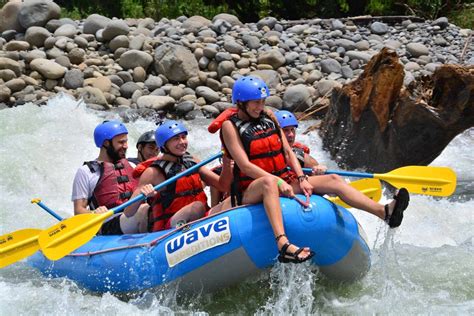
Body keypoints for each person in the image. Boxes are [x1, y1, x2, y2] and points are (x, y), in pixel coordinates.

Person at [215, 75, 410, 264]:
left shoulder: (269, 117)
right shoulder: (229, 126)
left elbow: (288, 151)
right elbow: (245, 166)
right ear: (241, 103)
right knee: (269, 183)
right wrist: (279, 182)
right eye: (256, 102)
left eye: (263, 101)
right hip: (252, 189)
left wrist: (301, 178)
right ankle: (283, 244)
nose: (261, 106)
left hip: (284, 179)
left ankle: (384, 212)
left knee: (333, 179)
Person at [124, 120, 232, 232]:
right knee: (196, 207)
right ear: (164, 144)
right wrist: (143, 193)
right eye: (176, 139)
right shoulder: (153, 172)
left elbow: (222, 186)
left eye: (183, 137)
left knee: (231, 201)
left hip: (201, 219)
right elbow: (128, 212)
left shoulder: (192, 161)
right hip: (171, 227)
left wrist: (227, 165)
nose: (182, 142)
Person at [71, 120, 149, 235]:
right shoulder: (87, 172)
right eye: (121, 142)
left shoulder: (133, 166)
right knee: (144, 209)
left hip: (135, 215)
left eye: (126, 141)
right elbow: (78, 211)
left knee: (148, 207)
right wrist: (94, 213)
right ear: (106, 143)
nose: (126, 146)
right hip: (108, 224)